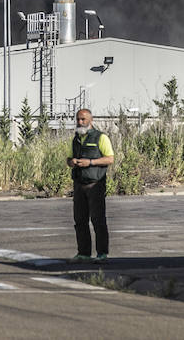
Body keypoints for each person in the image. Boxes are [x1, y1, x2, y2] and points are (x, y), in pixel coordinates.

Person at [66, 108, 114, 261]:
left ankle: (102, 253)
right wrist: (71, 162)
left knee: (98, 219)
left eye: (83, 119)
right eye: (78, 119)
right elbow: (68, 159)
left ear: (90, 120)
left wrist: (91, 162)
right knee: (80, 220)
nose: (80, 122)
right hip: (79, 184)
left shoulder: (101, 138)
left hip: (95, 184)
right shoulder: (76, 139)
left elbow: (109, 158)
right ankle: (83, 253)